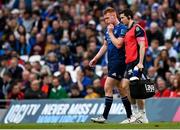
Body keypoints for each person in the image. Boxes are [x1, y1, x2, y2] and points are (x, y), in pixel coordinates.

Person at [89, 7, 134, 123]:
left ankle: (104, 117)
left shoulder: (122, 28)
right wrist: (95, 58)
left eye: (107, 18)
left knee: (107, 87)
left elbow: (119, 44)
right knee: (121, 89)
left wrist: (110, 32)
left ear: (114, 16)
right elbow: (105, 45)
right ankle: (131, 116)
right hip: (111, 62)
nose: (106, 21)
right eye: (104, 19)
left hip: (119, 62)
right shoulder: (108, 29)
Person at [108, 8, 149, 123]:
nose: (121, 20)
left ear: (129, 17)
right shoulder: (126, 30)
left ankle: (141, 115)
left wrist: (140, 62)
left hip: (137, 62)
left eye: (122, 18)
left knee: (137, 87)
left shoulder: (137, 28)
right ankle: (137, 115)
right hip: (129, 62)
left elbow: (142, 46)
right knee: (125, 86)